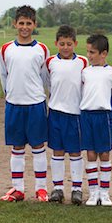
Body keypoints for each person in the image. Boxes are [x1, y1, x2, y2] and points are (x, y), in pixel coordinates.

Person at [0, 5, 50, 202]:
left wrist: (42, 96)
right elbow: (4, 75)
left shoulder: (41, 49)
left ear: (34, 24)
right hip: (14, 104)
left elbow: (45, 77)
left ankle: (41, 189)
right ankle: (18, 189)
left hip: (36, 103)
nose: (25, 27)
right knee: (17, 147)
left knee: (38, 146)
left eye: (29, 23)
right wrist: (10, 94)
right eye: (21, 23)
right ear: (15, 24)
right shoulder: (6, 49)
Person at [45, 25, 88, 205]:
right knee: (58, 150)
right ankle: (58, 188)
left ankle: (77, 189)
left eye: (69, 44)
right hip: (55, 112)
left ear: (75, 43)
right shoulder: (50, 62)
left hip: (75, 114)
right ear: (56, 43)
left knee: (75, 151)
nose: (65, 47)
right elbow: (47, 83)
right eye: (62, 44)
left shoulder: (83, 62)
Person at [80, 34, 112, 207]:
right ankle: (93, 193)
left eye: (92, 52)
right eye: (87, 52)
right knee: (91, 154)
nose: (89, 55)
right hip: (87, 115)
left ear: (104, 54)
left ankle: (105, 192)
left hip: (104, 116)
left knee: (104, 154)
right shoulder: (84, 72)